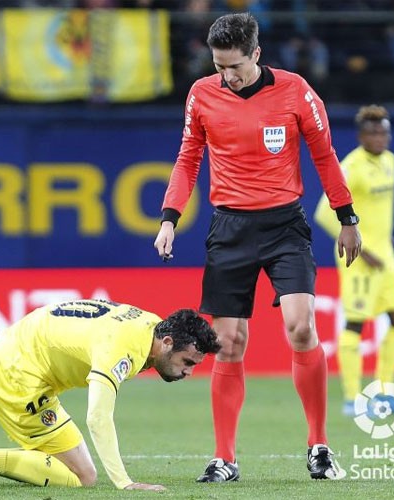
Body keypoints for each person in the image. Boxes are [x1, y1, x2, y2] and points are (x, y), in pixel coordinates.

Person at [153, 12, 362, 483]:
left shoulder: (295, 91)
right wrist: (170, 218)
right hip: (229, 229)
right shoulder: (202, 94)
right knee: (228, 343)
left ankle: (319, 447)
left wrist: (347, 217)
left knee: (301, 327)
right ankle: (224, 458)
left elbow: (324, 154)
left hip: (285, 225)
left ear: (256, 55)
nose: (226, 77)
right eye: (218, 67)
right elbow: (187, 158)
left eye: (235, 68)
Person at [0, 300, 221, 490]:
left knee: (79, 470)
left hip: (13, 357)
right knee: (83, 476)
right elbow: (97, 416)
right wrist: (124, 482)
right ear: (167, 343)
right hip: (16, 374)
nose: (188, 372)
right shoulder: (124, 347)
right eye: (187, 362)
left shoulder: (151, 326)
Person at [314, 105, 394, 416]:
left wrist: (385, 241)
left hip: (387, 256)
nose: (379, 138)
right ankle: (352, 397)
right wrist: (362, 246)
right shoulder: (351, 167)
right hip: (360, 256)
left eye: (384, 132)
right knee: (355, 323)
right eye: (373, 133)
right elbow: (323, 213)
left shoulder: (390, 162)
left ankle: (385, 392)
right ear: (361, 136)